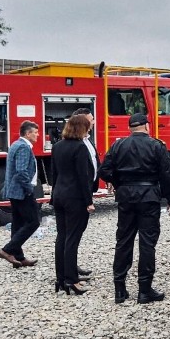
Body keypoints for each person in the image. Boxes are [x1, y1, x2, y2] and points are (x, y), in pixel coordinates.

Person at [98, 112, 170, 304]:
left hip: (126, 197)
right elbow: (167, 174)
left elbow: (104, 171)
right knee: (147, 242)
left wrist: (118, 182)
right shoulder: (156, 145)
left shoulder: (118, 145)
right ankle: (144, 289)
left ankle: (120, 289)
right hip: (149, 196)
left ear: (130, 128)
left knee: (123, 241)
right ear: (147, 126)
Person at [50, 114, 95, 295]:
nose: (89, 129)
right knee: (72, 239)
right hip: (75, 198)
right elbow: (83, 178)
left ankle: (60, 278)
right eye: (87, 126)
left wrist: (54, 195)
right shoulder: (80, 148)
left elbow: (54, 174)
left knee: (61, 237)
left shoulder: (57, 147)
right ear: (81, 128)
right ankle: (71, 280)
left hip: (59, 195)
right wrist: (89, 201)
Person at [0, 120, 41, 268]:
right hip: (21, 192)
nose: (38, 135)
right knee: (33, 222)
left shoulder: (15, 144)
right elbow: (21, 171)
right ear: (28, 134)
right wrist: (29, 189)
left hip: (14, 191)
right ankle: (7, 250)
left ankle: (18, 257)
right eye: (35, 132)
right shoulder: (23, 147)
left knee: (17, 224)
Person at [70, 107, 99, 279]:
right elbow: (80, 174)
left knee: (76, 233)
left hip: (85, 191)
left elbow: (94, 160)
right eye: (90, 120)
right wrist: (88, 200)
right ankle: (69, 272)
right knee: (71, 235)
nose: (93, 122)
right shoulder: (77, 145)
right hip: (78, 196)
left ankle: (72, 266)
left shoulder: (87, 141)